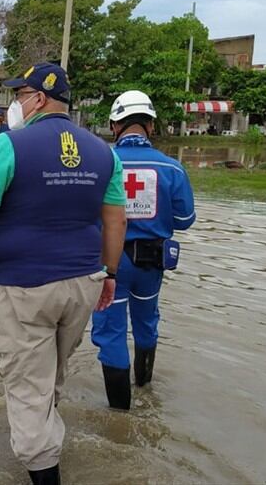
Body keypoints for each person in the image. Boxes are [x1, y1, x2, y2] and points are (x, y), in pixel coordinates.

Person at [0, 62, 127, 485]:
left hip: (27, 287)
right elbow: (116, 220)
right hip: (84, 284)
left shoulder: (9, 146)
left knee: (28, 387)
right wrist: (110, 273)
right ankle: (46, 432)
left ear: (40, 98)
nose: (17, 103)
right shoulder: (105, 153)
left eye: (21, 95)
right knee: (52, 373)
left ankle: (44, 466)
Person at [91, 90, 196, 411]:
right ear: (151, 125)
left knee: (111, 331)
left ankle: (119, 416)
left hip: (109, 263)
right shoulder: (173, 169)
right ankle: (144, 387)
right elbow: (185, 220)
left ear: (114, 125)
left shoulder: (100, 163)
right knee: (147, 322)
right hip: (152, 263)